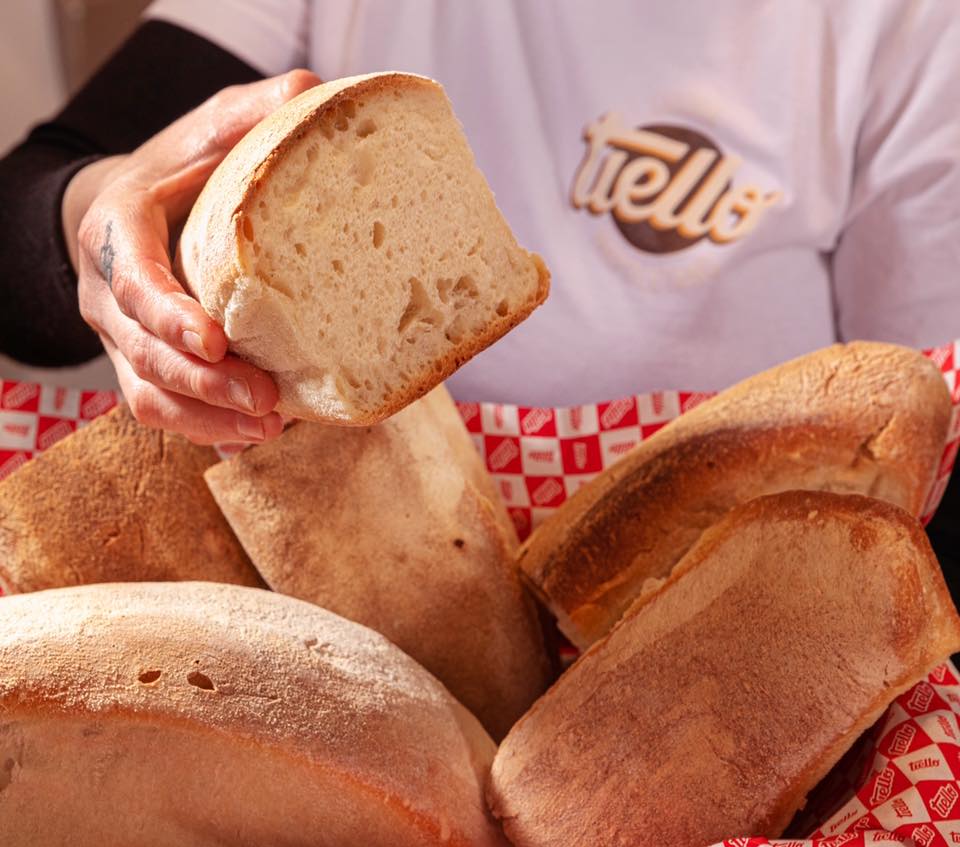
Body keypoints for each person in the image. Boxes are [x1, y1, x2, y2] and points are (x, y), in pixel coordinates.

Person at [0, 0, 958, 595]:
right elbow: (26, 224)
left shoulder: (901, 26)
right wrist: (101, 219)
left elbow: (919, 414)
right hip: (358, 580)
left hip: (706, 584)